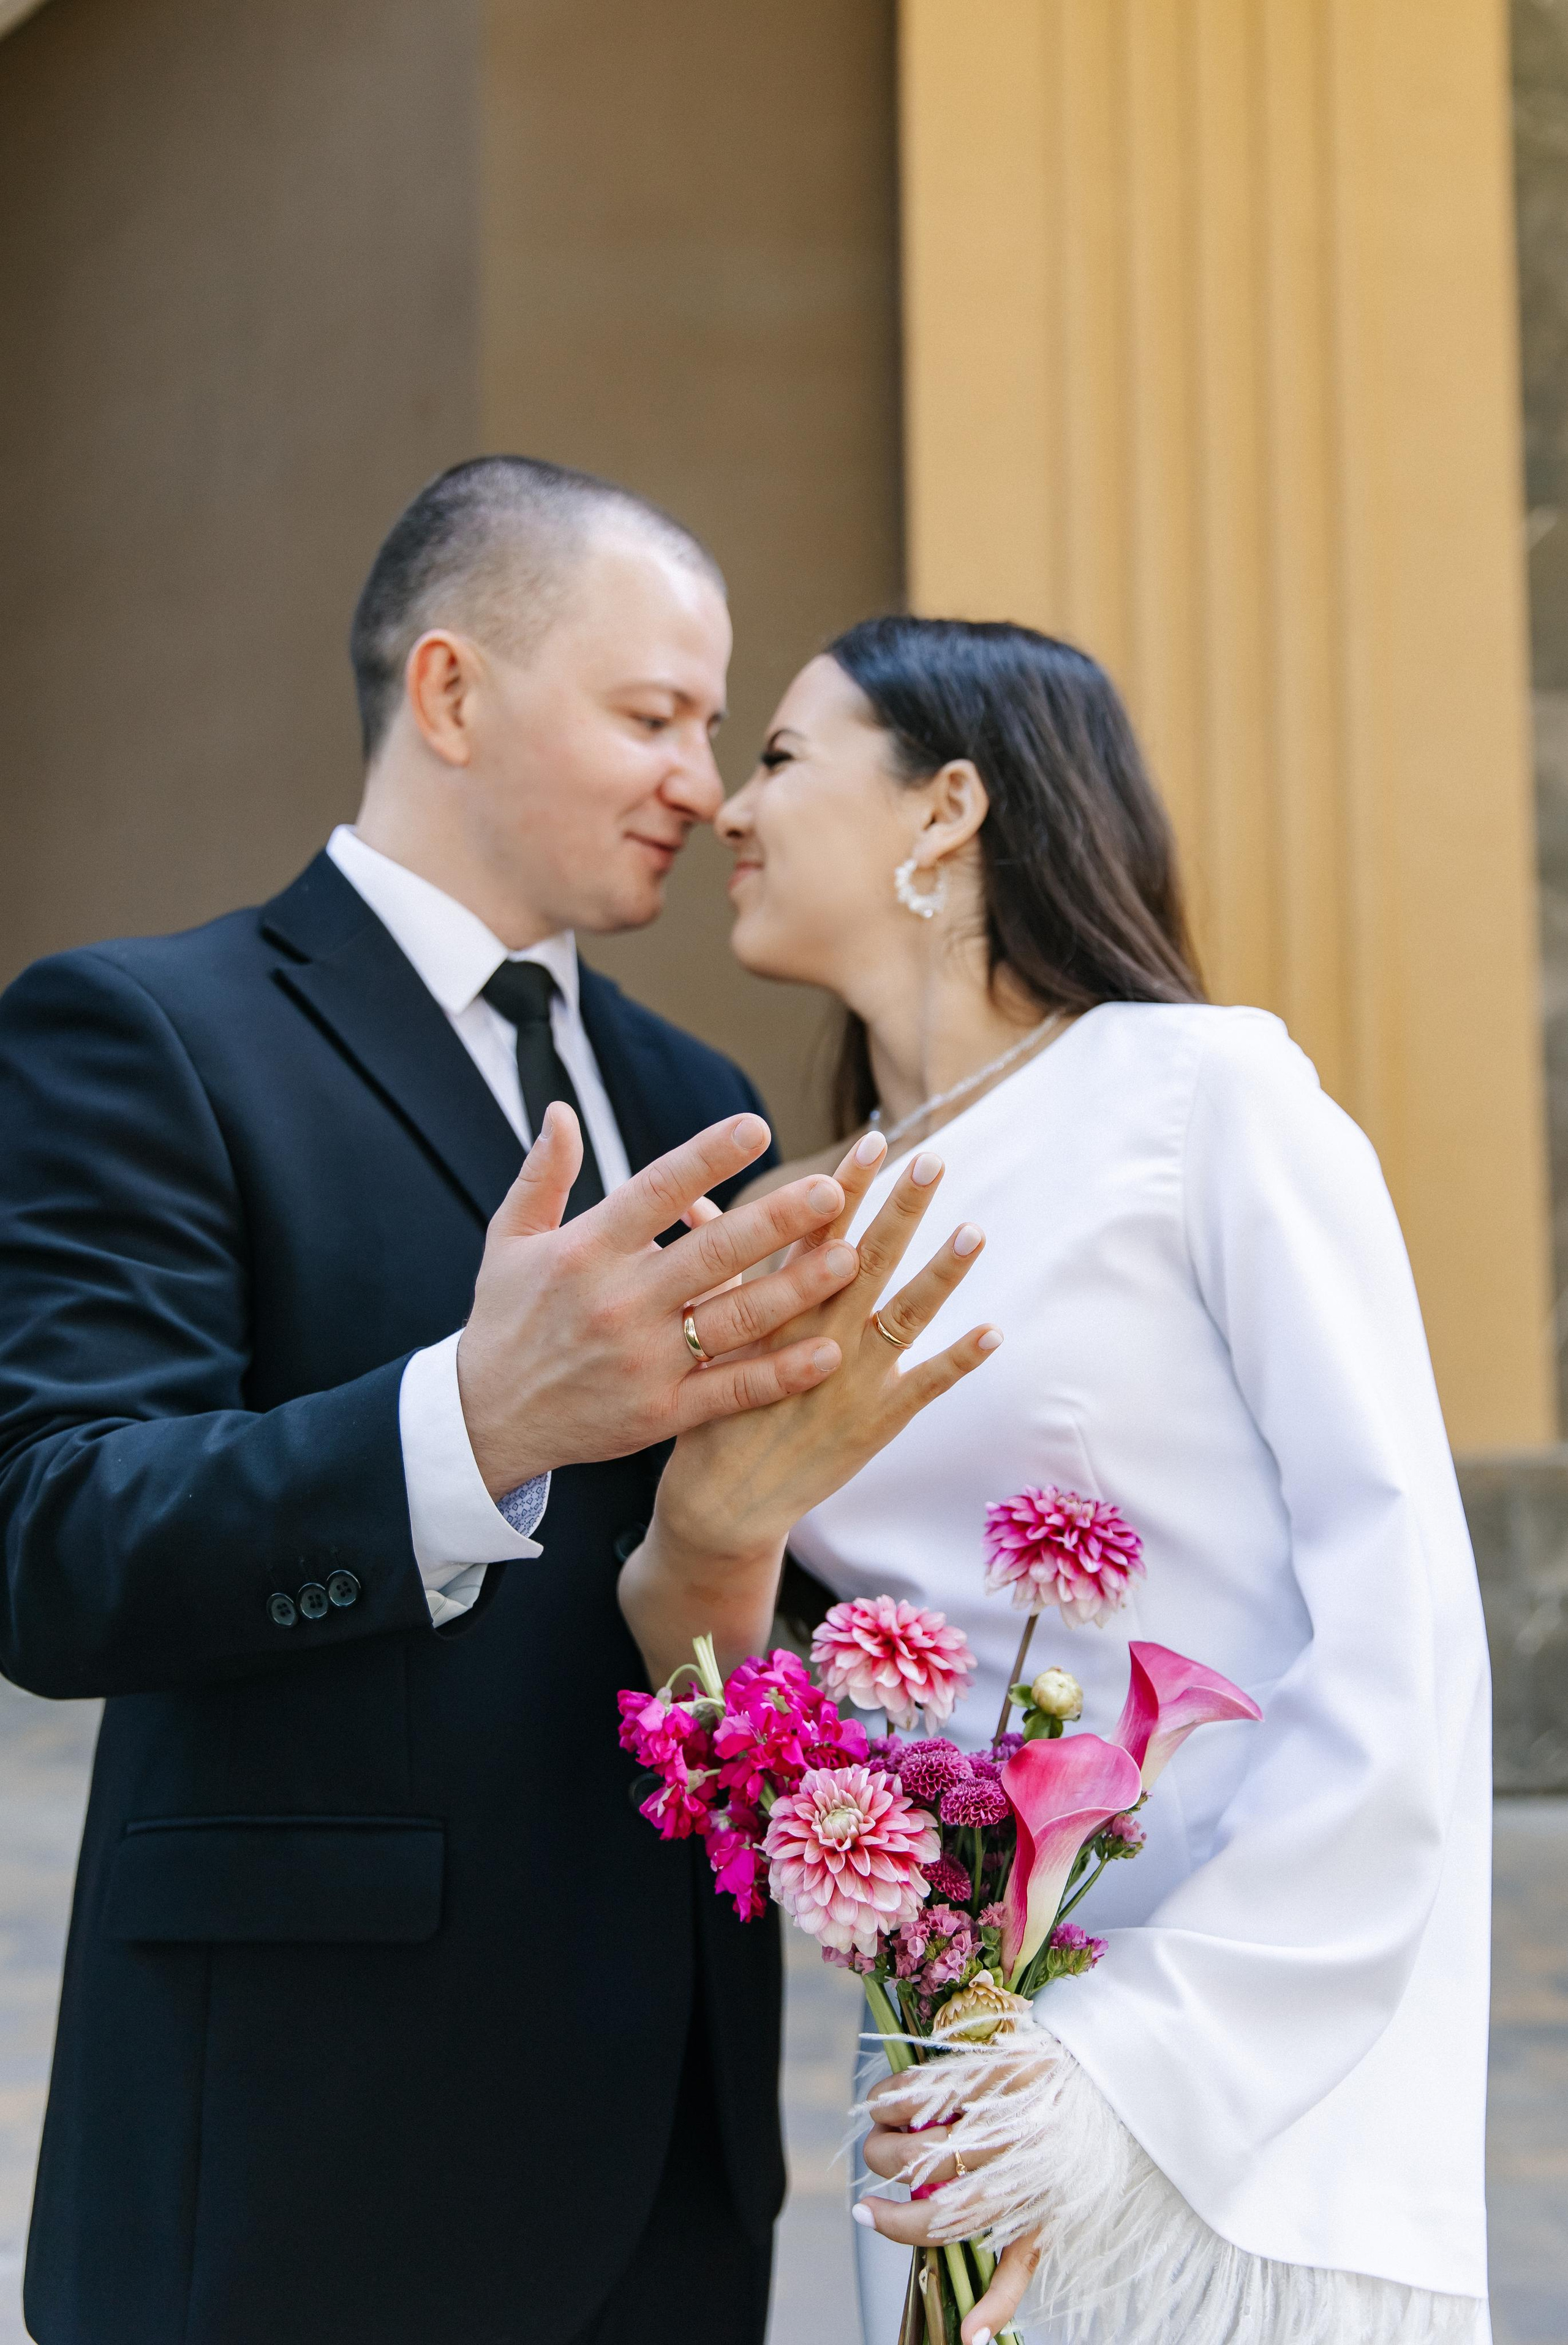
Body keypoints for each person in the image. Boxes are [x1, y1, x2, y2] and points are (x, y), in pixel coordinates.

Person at [0, 459, 993, 2345]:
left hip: (676, 2153)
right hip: (307, 2150)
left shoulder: (700, 1090)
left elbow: (743, 1580)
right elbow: (54, 1541)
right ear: (451, 694)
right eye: (653, 717)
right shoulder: (147, 1032)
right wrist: (467, 1421)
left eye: (716, 726)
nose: (704, 786)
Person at [628, 615, 1493, 2344]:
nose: (731, 802)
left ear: (946, 810)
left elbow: (1405, 1619)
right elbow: (744, 1690)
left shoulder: (1206, 1093)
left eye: (784, 757)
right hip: (956, 2059)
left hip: (1242, 2074)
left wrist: (1130, 2062)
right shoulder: (809, 1213)